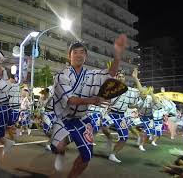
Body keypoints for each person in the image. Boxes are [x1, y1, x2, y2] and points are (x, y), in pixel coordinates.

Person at [50, 34, 127, 178]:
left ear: (86, 56)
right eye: (75, 52)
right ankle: (61, 151)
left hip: (82, 118)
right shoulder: (62, 76)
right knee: (58, 145)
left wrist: (117, 55)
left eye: (82, 52)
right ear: (69, 56)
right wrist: (93, 100)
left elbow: (110, 73)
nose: (79, 55)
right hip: (63, 118)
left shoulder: (91, 74)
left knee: (86, 156)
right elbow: (71, 99)